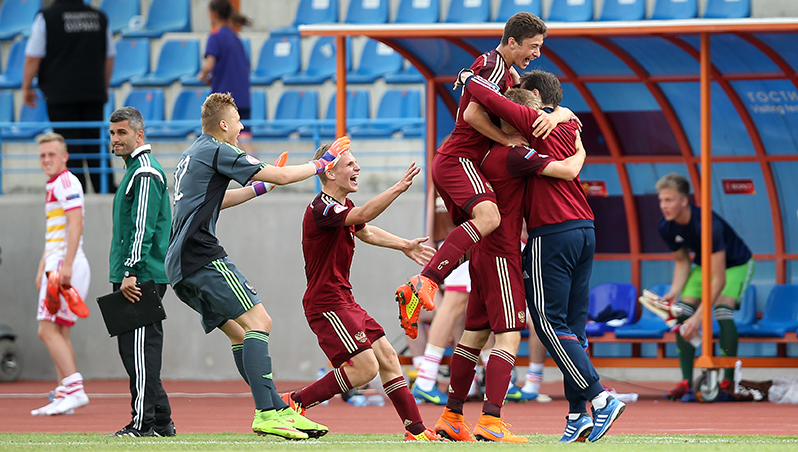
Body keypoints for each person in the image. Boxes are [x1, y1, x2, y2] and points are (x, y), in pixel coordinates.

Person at [460, 70, 625, 442]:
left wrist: (473, 79)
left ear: (531, 99)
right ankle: (577, 414)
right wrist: (573, 129)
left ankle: (599, 398)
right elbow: (571, 151)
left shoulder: (527, 134)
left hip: (552, 232)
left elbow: (477, 111)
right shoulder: (567, 125)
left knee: (547, 324)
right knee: (572, 329)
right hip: (586, 228)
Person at [165, 92, 337, 440]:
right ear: (224, 124)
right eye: (239, 120)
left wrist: (259, 188)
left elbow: (215, 200)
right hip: (201, 255)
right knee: (260, 321)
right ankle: (266, 413)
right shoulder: (218, 149)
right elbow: (285, 175)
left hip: (178, 265)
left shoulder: (191, 154)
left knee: (241, 333)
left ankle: (278, 410)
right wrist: (323, 163)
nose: (243, 126)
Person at [394, 12, 574, 339]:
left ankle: (416, 300)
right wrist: (505, 139)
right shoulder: (492, 65)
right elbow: (472, 112)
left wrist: (559, 113)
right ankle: (426, 281)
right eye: (532, 47)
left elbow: (532, 103)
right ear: (512, 41)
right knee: (489, 217)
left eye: (540, 47)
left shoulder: (506, 73)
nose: (537, 53)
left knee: (474, 242)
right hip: (460, 158)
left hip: (462, 162)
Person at [433, 84, 585, 443]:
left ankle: (452, 415)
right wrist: (579, 149)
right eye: (532, 114)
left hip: (482, 252)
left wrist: (561, 114)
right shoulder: (516, 154)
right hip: (502, 254)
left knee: (473, 335)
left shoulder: (486, 152)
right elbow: (567, 172)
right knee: (510, 334)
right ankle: (491, 419)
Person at [281, 143, 444, 441]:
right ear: (330, 172)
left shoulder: (340, 209)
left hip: (343, 300)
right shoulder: (322, 208)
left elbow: (365, 228)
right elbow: (366, 214)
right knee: (364, 368)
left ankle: (417, 432)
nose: (357, 169)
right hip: (326, 303)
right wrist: (398, 188)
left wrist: (405, 244)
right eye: (350, 164)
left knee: (388, 357)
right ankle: (293, 403)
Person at [654, 173, 754, 401]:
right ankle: (687, 381)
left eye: (669, 200)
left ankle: (727, 379)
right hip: (703, 265)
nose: (664, 206)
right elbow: (682, 261)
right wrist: (674, 291)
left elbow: (718, 279)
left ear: (684, 201)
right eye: (661, 200)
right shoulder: (666, 226)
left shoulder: (709, 226)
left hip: (735, 264)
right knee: (682, 313)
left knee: (722, 311)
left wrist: (699, 318)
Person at [107, 107, 175, 437]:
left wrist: (130, 271)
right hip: (135, 273)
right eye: (112, 133)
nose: (115, 139)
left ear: (139, 135)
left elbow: (142, 226)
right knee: (135, 350)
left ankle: (142, 424)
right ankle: (161, 421)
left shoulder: (145, 172)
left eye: (122, 133)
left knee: (138, 350)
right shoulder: (136, 169)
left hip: (140, 274)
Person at [22, 0, 116, 194]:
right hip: (93, 92)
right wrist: (104, 86)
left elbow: (33, 56)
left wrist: (26, 87)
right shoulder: (99, 17)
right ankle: (104, 188)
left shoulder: (47, 17)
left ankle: (74, 191)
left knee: (67, 143)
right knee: (96, 141)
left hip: (60, 93)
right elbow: (110, 56)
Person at [31, 133, 91, 416]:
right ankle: (64, 394)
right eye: (43, 155)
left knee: (46, 330)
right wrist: (43, 266)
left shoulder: (66, 182)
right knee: (59, 331)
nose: (46, 160)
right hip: (57, 264)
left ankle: (74, 389)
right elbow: (55, 234)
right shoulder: (54, 184)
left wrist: (64, 267)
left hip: (65, 266)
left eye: (52, 155)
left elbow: (75, 224)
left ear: (65, 156)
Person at [197, 0, 253, 152]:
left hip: (223, 100)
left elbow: (209, 64)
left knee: (216, 138)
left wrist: (201, 76)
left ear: (213, 14)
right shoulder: (236, 38)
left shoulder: (215, 37)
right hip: (242, 97)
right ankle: (259, 173)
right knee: (244, 135)